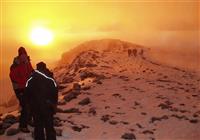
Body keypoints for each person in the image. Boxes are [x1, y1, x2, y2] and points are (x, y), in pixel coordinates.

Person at [25, 62, 58, 140]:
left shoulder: (30, 80)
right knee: (49, 127)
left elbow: (26, 94)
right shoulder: (50, 79)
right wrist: (54, 105)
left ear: (37, 68)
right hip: (48, 106)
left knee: (38, 127)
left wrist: (29, 106)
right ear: (45, 68)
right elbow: (55, 93)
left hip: (35, 108)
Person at [9, 46, 33, 133]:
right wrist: (22, 82)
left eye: (25, 54)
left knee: (30, 103)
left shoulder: (27, 62)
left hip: (26, 87)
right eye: (22, 55)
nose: (23, 56)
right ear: (19, 56)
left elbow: (31, 71)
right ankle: (23, 126)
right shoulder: (15, 65)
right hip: (19, 89)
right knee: (25, 106)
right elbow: (12, 77)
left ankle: (28, 120)